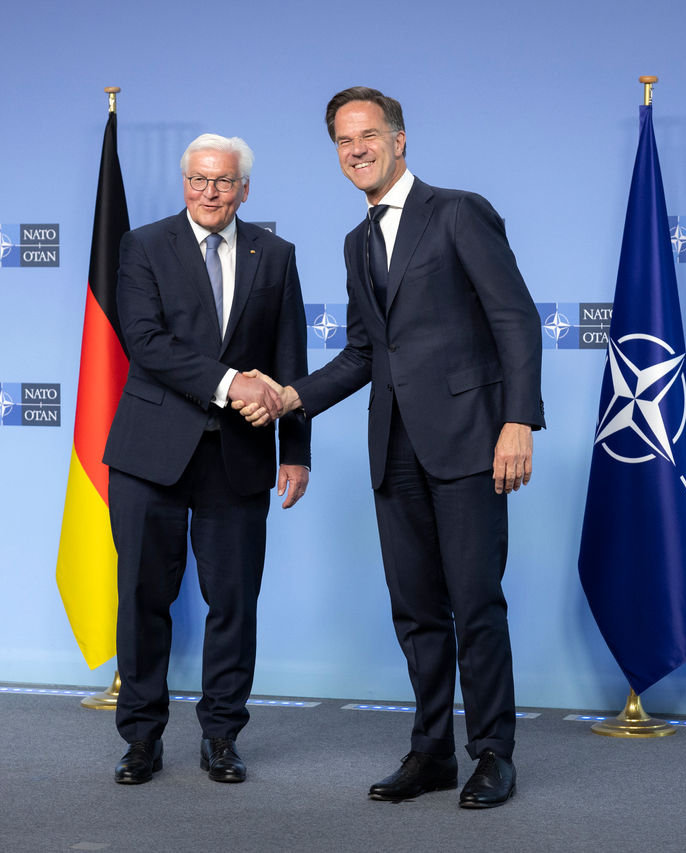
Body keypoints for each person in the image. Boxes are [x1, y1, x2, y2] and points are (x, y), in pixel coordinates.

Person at [235, 87, 544, 808]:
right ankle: (432, 750)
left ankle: (493, 752)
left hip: (471, 441)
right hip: (394, 449)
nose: (356, 149)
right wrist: (288, 396)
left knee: (476, 604)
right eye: (343, 141)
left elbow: (516, 319)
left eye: (368, 134)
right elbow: (365, 352)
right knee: (416, 610)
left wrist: (518, 419)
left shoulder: (460, 211)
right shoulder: (357, 241)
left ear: (400, 140)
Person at [103, 133, 311, 785]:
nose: (210, 192)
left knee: (234, 603)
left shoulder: (274, 254)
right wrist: (231, 384)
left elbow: (289, 358)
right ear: (183, 181)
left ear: (244, 188)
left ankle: (222, 735)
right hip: (149, 453)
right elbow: (144, 342)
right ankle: (141, 738)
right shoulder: (143, 245)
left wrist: (296, 449)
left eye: (223, 181)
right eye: (198, 179)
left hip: (241, 457)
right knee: (141, 597)